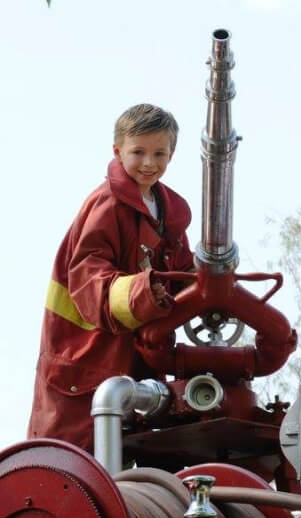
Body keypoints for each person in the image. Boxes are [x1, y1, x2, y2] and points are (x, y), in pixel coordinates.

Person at [28, 104, 194, 451]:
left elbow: (180, 270)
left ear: (172, 154)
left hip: (134, 356)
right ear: (118, 152)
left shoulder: (169, 215)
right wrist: (144, 292)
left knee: (133, 456)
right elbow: (88, 272)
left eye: (159, 153)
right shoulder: (107, 204)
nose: (149, 163)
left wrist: (201, 283)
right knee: (69, 459)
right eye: (138, 153)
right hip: (85, 354)